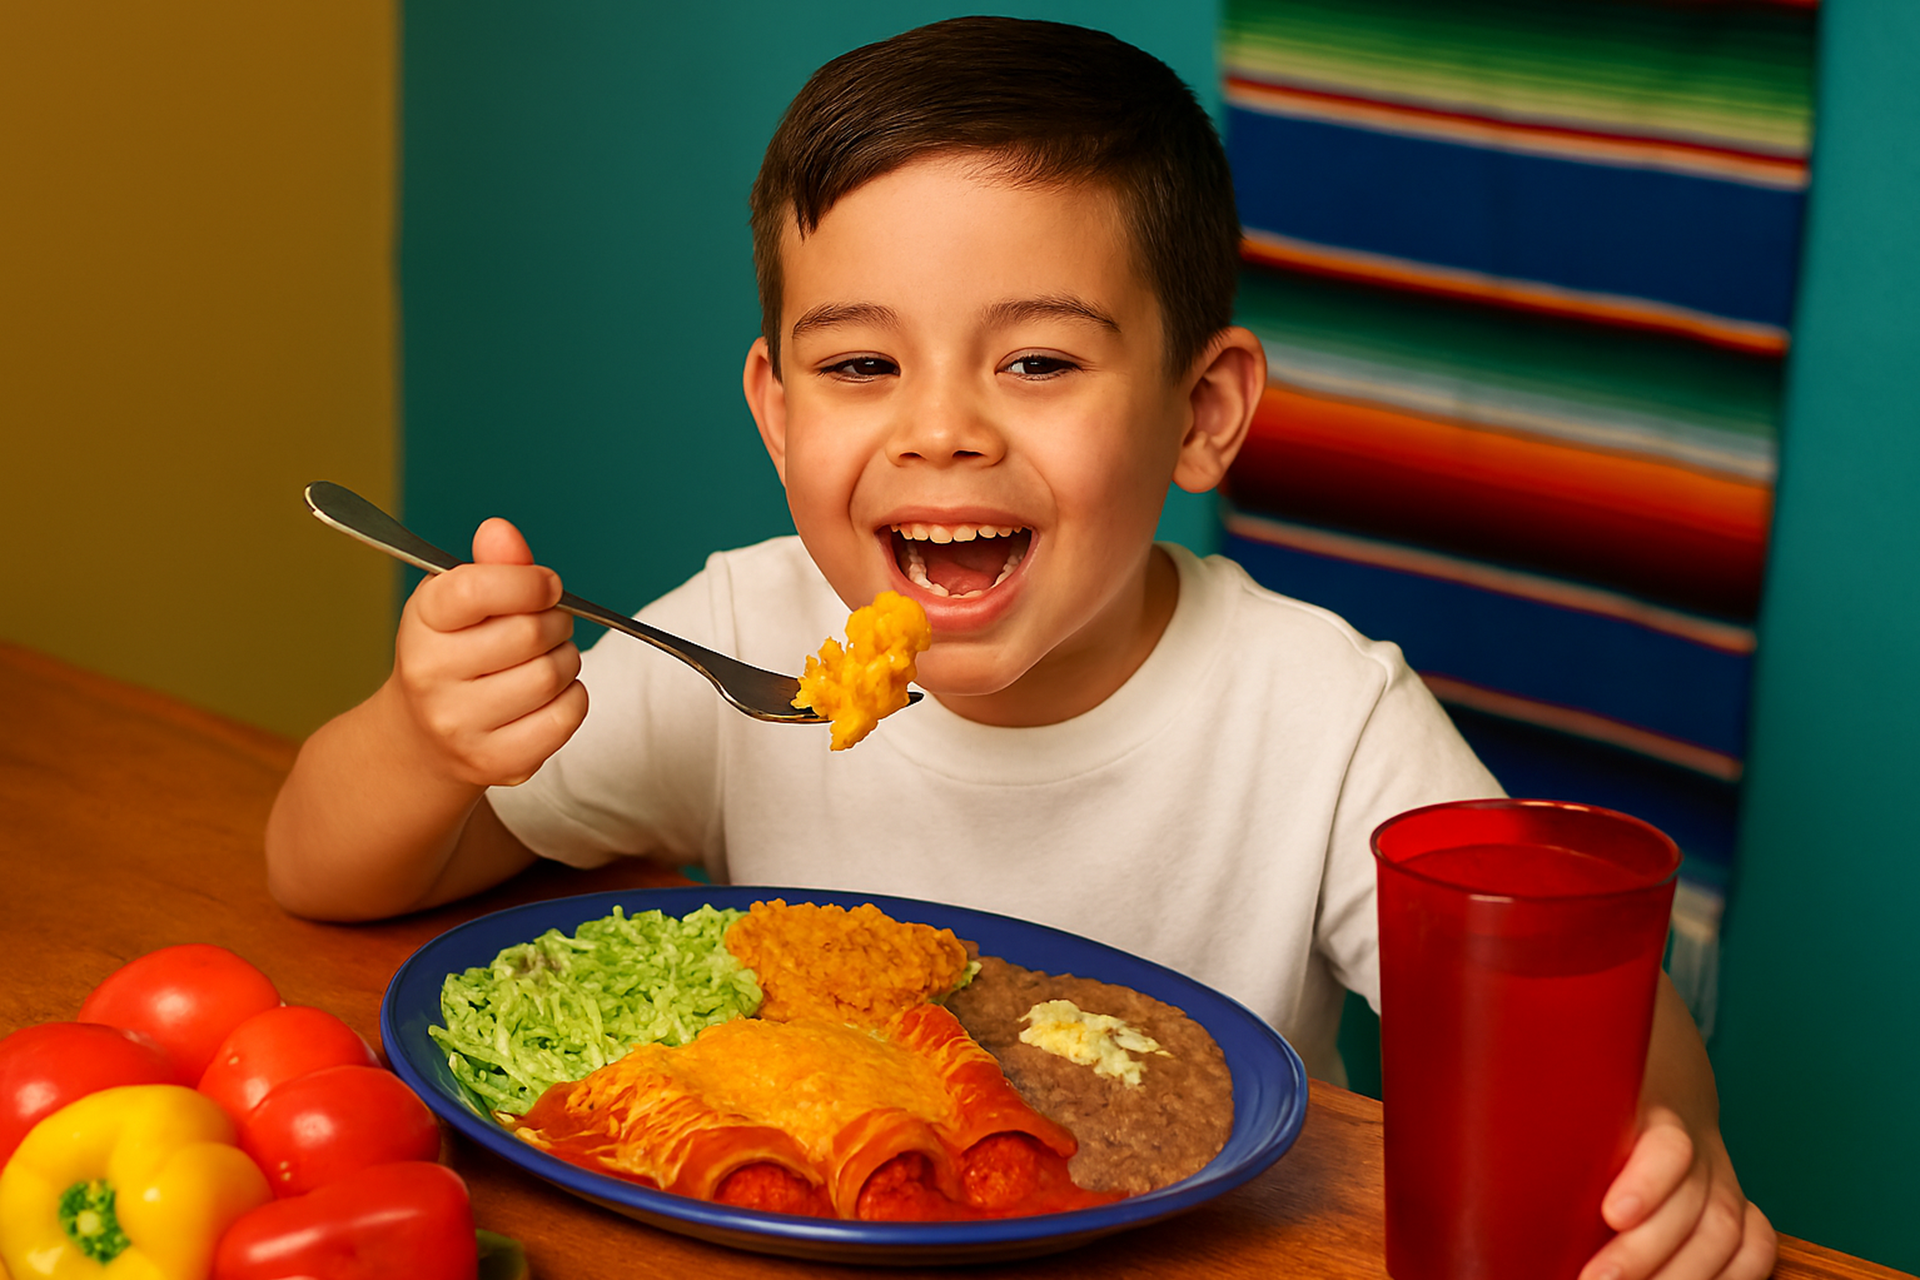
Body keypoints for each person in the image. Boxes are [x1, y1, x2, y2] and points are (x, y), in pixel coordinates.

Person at [266, 17, 1774, 1278]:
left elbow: (1596, 1031)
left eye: (1038, 360)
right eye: (862, 363)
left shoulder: (1321, 714)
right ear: (777, 413)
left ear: (1202, 413)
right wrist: (426, 735)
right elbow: (324, 870)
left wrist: (1670, 1161)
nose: (941, 428)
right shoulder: (736, 637)